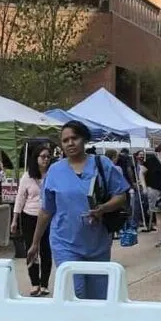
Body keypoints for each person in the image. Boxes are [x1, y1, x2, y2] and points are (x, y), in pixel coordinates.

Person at [27, 121, 129, 300]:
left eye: (74, 138)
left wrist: (103, 208)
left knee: (99, 297)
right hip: (65, 242)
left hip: (97, 243)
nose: (70, 143)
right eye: (65, 140)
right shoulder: (55, 171)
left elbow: (121, 196)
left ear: (84, 139)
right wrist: (35, 242)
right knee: (76, 293)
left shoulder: (102, 164)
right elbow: (46, 210)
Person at [12, 142, 52, 296]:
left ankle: (44, 283)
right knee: (31, 249)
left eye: (48, 157)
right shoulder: (27, 176)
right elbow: (20, 198)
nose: (46, 160)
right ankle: (34, 282)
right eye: (43, 157)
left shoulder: (52, 174)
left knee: (46, 250)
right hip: (29, 216)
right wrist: (15, 219)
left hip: (47, 216)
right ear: (36, 158)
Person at [144, 142, 161, 246]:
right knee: (159, 215)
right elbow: (141, 172)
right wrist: (145, 186)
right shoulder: (151, 161)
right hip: (155, 190)